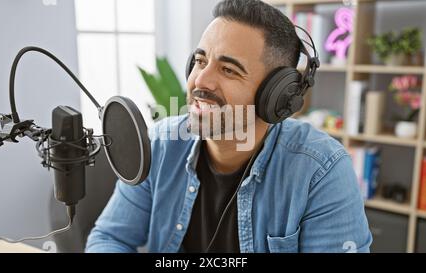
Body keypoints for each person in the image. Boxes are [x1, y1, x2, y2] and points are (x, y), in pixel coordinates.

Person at [86, 0, 372, 253]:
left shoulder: (321, 172)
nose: (200, 81)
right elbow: (110, 237)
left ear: (275, 95)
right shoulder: (159, 144)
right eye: (200, 61)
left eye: (228, 70)